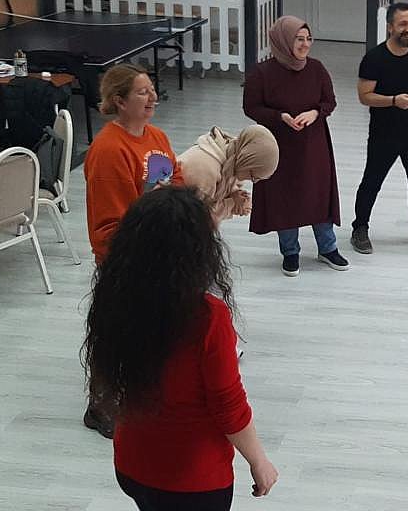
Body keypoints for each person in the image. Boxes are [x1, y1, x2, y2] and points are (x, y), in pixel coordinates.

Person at [83, 186, 279, 510]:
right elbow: (228, 405)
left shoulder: (114, 297)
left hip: (132, 464)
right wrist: (259, 460)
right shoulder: (207, 318)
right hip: (192, 479)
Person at [83, 63, 184, 439]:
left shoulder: (156, 137)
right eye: (142, 92)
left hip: (158, 256)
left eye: (152, 89)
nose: (153, 96)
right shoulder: (109, 150)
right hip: (125, 262)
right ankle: (101, 407)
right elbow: (108, 225)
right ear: (119, 101)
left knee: (151, 337)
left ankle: (141, 396)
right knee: (117, 334)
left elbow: (175, 181)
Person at [243, 16, 347, 276]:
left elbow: (330, 101)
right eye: (299, 39)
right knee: (284, 196)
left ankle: (328, 248)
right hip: (278, 146)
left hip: (313, 144)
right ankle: (290, 252)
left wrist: (315, 113)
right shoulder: (262, 73)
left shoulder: (316, 69)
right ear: (284, 40)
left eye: (308, 39)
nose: (305, 44)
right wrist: (280, 117)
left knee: (318, 192)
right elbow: (251, 107)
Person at [351, 2, 408, 254]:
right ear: (390, 27)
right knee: (372, 181)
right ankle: (360, 227)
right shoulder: (374, 58)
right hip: (384, 132)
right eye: (403, 24)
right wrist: (392, 100)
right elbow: (364, 96)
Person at [176, 125, 279, 223]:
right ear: (247, 160)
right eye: (252, 176)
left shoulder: (232, 157)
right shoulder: (205, 169)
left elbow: (226, 181)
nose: (253, 181)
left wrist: (235, 193)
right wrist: (232, 205)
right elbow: (198, 217)